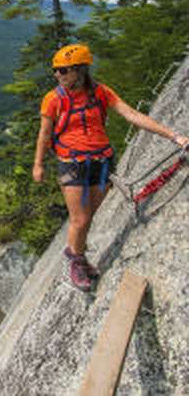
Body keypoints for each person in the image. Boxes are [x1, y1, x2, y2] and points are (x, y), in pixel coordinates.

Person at [32, 44, 189, 291]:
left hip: (101, 161)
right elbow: (44, 134)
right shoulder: (53, 99)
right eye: (56, 70)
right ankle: (76, 260)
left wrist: (174, 136)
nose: (57, 75)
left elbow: (131, 115)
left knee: (90, 215)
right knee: (81, 219)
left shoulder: (100, 93)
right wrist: (38, 165)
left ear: (80, 70)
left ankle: (75, 250)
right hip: (72, 165)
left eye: (63, 70)